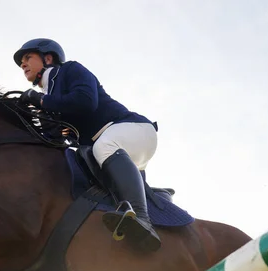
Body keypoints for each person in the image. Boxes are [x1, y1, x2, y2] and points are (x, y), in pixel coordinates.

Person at [14, 38, 161, 252]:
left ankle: (141, 218)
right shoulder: (48, 96)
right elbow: (52, 139)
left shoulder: (69, 69)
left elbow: (85, 100)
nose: (23, 64)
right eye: (21, 63)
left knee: (103, 147)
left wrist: (39, 100)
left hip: (132, 129)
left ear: (47, 57)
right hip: (115, 149)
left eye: (28, 58)